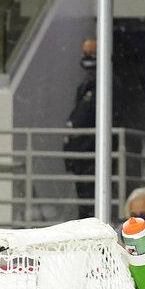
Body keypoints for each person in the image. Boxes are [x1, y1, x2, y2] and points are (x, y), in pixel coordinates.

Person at [63, 38, 97, 219]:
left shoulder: (104, 82)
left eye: (90, 52)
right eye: (85, 52)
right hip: (81, 153)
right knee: (83, 197)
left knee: (90, 198)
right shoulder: (86, 82)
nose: (87, 56)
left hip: (91, 152)